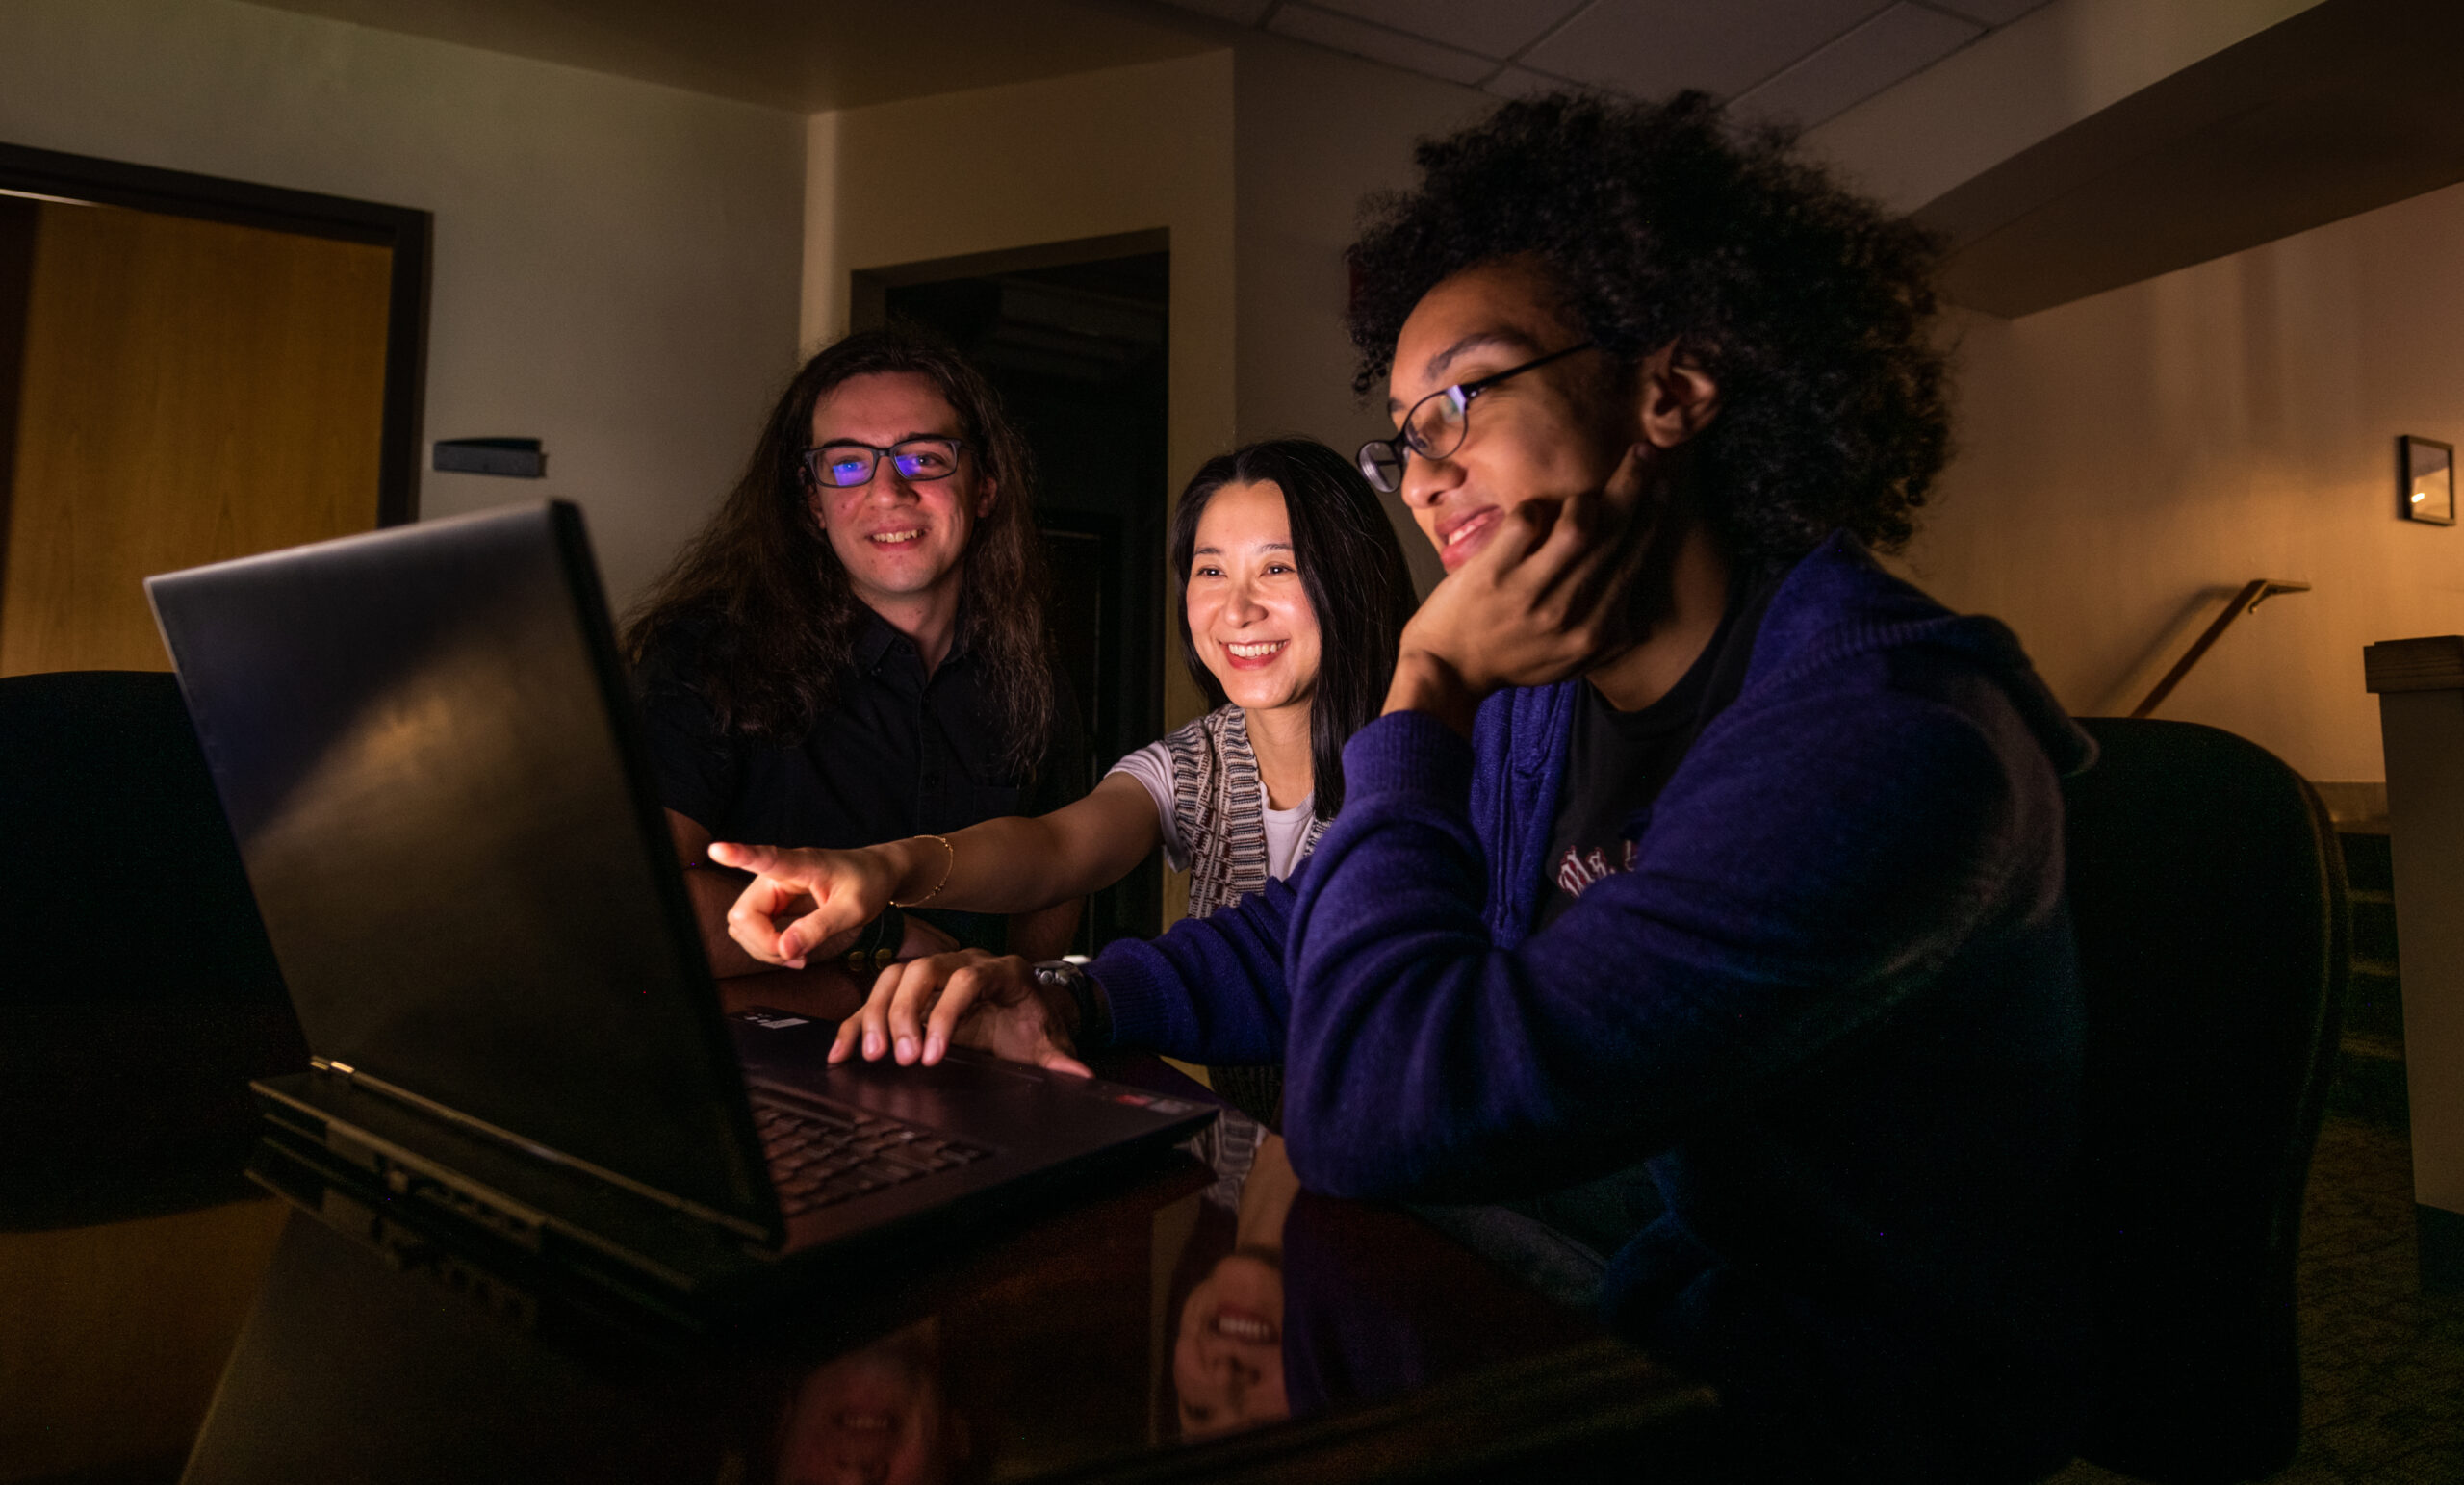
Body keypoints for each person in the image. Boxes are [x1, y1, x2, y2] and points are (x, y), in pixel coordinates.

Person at [808, 93, 2092, 1480]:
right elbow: (1309, 936)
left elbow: (1371, 1113)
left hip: (1791, 1409)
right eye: (1405, 435)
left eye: (1461, 402)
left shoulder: (1886, 737)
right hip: (1552, 1293)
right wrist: (1075, 991)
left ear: (1672, 387)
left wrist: (1423, 690)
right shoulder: (1553, 698)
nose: (1424, 478)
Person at [709, 438, 1419, 1123]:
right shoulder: (1197, 761)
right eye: (1210, 571)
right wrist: (885, 867)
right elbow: (1056, 848)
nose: (1236, 610)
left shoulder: (1425, 752)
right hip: (1259, 1173)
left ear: (1349, 576)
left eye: (1277, 568)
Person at [624, 327, 1086, 981]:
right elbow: (634, 902)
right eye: (847, 463)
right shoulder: (704, 656)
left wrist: (989, 998)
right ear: (814, 503)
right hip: (771, 1073)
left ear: (984, 486)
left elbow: (1058, 883)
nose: (888, 490)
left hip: (970, 1066)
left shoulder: (1032, 676)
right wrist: (879, 934)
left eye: (924, 458)